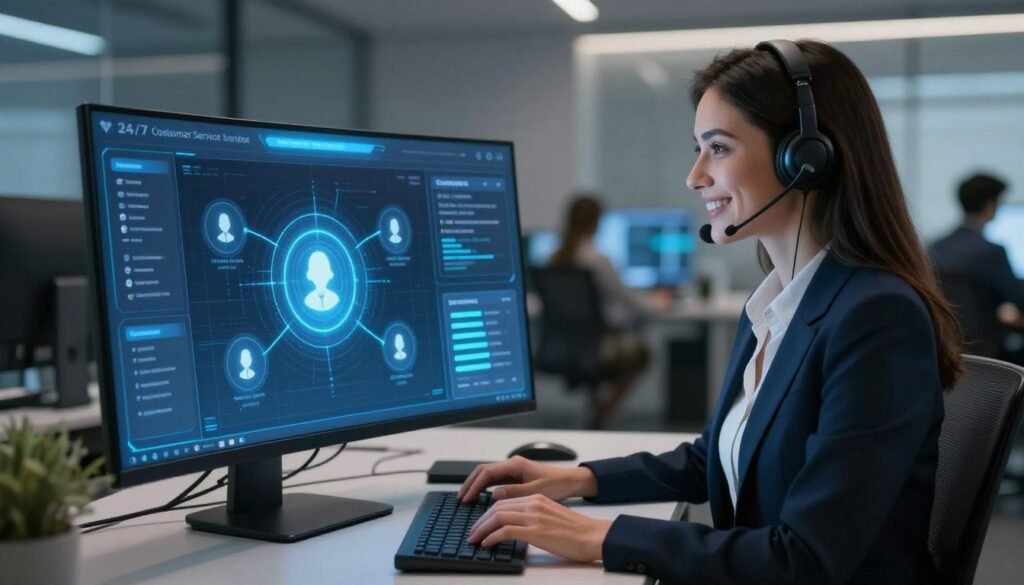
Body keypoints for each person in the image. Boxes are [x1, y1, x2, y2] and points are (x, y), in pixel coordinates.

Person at [460, 39, 962, 584]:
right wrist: (575, 479)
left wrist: (598, 537)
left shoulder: (876, 318)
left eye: (718, 148)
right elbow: (714, 457)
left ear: (806, 158)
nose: (695, 176)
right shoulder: (775, 305)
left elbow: (807, 559)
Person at [547, 195, 670, 428]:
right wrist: (657, 303)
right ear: (595, 222)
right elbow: (630, 301)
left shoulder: (555, 258)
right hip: (597, 346)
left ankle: (594, 414)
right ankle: (602, 413)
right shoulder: (597, 259)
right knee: (641, 355)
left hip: (565, 346)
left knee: (603, 350)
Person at [930, 173, 1024, 356]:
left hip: (945, 350)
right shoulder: (991, 251)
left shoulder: (934, 247)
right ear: (991, 206)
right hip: (987, 352)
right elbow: (1020, 299)